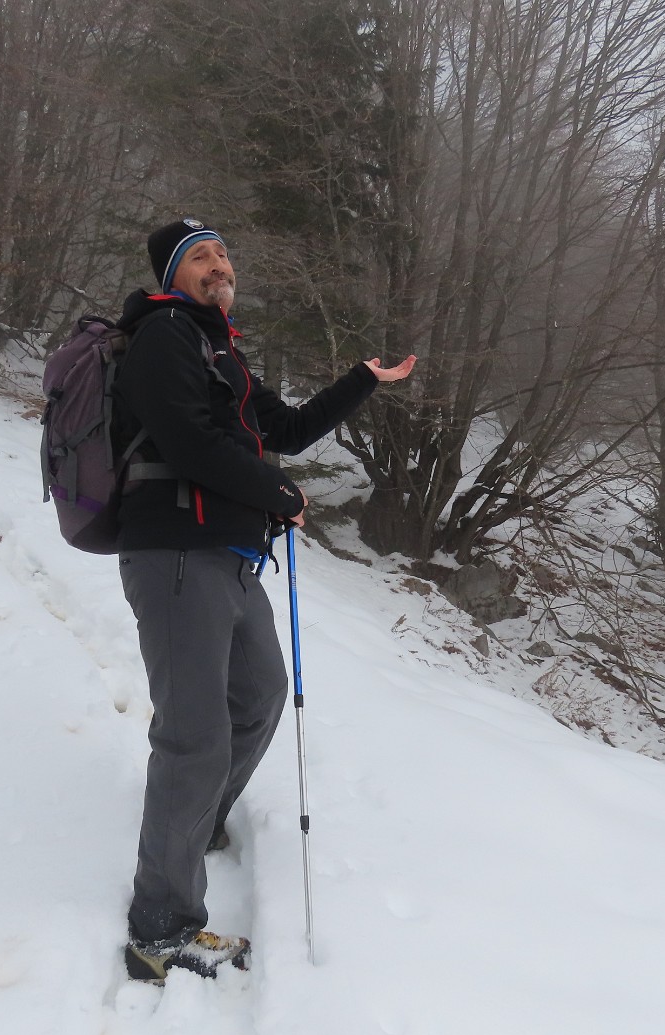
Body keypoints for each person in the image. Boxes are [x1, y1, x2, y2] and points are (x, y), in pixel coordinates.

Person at [114, 218, 415, 984]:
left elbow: (284, 428)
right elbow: (185, 440)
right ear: (172, 276)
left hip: (229, 556)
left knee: (260, 696)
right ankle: (161, 930)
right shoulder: (163, 336)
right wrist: (277, 490)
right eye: (199, 257)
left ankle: (198, 819)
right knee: (193, 735)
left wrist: (361, 380)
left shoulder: (222, 350)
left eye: (221, 252)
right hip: (178, 551)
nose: (218, 264)